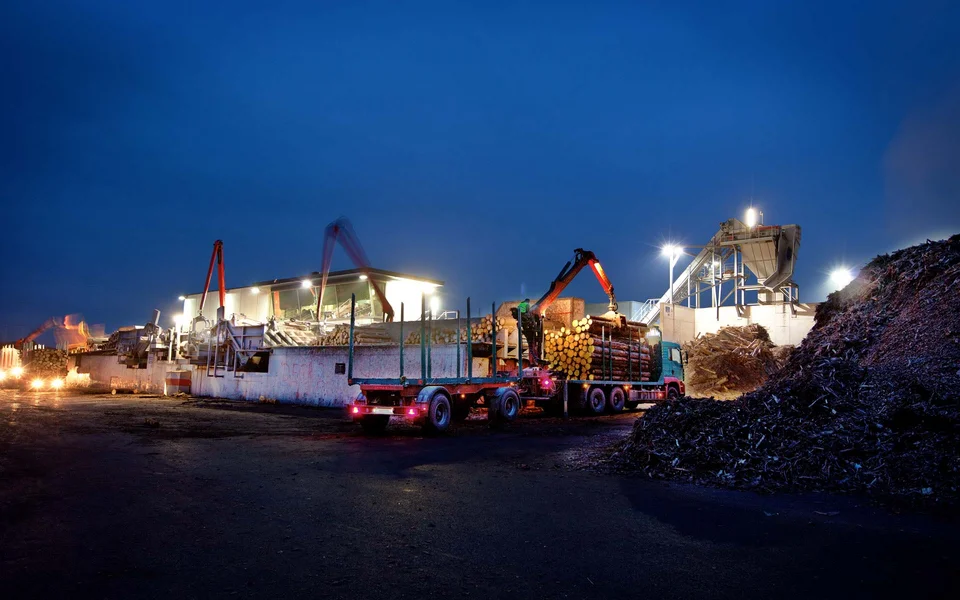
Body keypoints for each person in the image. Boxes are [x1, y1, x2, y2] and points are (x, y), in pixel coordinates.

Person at [513, 298, 542, 366]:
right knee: (531, 346)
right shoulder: (527, 305)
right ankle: (533, 361)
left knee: (531, 345)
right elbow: (528, 311)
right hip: (524, 320)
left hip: (521, 318)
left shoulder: (520, 304)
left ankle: (533, 360)